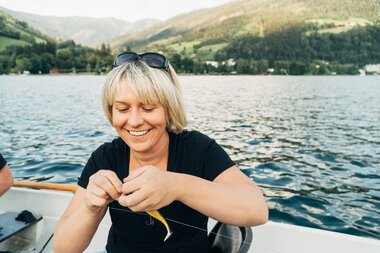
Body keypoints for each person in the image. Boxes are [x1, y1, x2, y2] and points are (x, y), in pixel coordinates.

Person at [54, 52, 268, 253]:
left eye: (148, 108)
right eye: (122, 109)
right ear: (111, 111)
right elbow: (63, 248)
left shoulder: (196, 148)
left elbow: (257, 210)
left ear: (169, 109)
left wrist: (176, 186)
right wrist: (90, 207)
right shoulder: (105, 157)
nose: (135, 121)